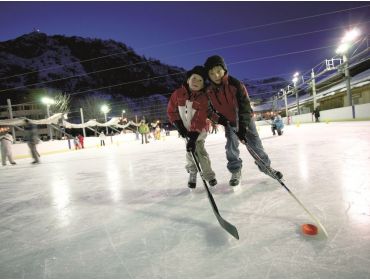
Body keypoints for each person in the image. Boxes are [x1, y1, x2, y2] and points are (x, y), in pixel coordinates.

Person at [204, 55, 282, 186]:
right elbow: (208, 110)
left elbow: (245, 107)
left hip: (246, 120)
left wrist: (243, 127)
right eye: (211, 73)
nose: (216, 75)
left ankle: (266, 167)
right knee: (231, 147)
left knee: (255, 145)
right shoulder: (208, 91)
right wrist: (220, 119)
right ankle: (235, 171)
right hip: (229, 122)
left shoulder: (236, 85)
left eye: (218, 71)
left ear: (224, 69)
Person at [167, 65, 217, 189]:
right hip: (185, 130)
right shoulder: (178, 94)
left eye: (200, 81)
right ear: (188, 79)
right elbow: (171, 111)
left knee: (200, 152)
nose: (196, 82)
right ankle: (192, 173)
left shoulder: (202, 98)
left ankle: (209, 175)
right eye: (194, 78)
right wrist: (179, 126)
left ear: (203, 85)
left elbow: (199, 119)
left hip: (199, 132)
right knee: (190, 153)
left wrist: (193, 137)